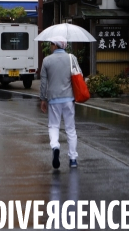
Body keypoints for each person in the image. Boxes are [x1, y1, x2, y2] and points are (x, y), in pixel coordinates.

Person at [39, 36, 78, 169]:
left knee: (54, 126)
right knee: (70, 129)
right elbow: (79, 76)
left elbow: (43, 83)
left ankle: (55, 146)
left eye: (51, 44)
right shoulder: (71, 58)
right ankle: (73, 159)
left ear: (55, 45)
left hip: (53, 99)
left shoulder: (47, 60)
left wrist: (42, 99)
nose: (50, 46)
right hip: (69, 98)